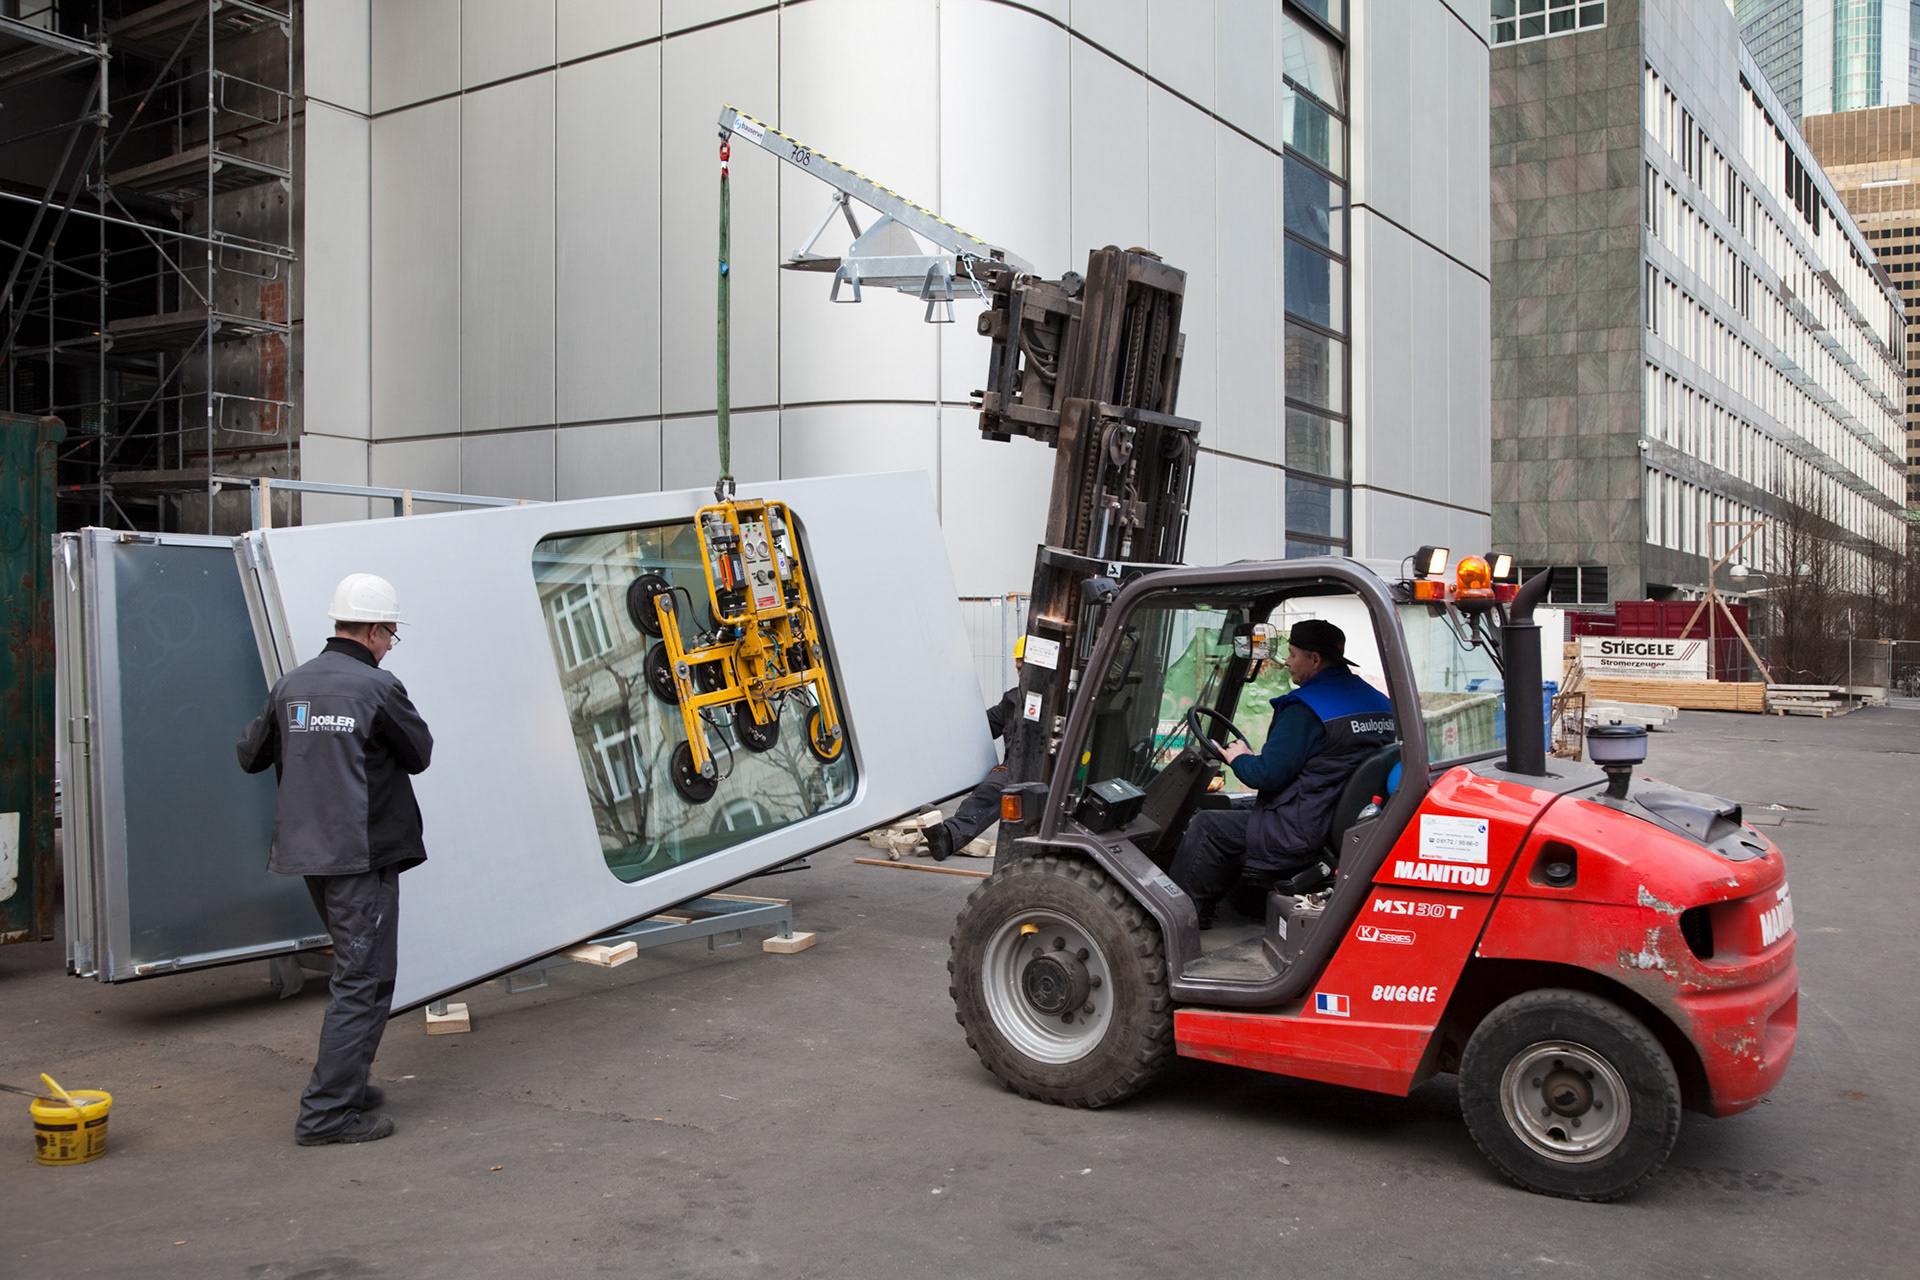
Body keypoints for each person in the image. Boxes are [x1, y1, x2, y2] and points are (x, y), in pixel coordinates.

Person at [237, 573, 434, 1146]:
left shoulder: (291, 685)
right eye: (390, 635)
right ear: (374, 630)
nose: (389, 645)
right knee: (362, 978)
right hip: (360, 856)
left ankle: (348, 1084)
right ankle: (326, 1114)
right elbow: (419, 753)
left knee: (368, 973)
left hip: (311, 854)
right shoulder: (377, 688)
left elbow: (250, 755)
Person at [1169, 618, 1394, 927]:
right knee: (1233, 806)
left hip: (1302, 824)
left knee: (1206, 824)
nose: (1287, 662)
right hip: (1341, 815)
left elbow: (1266, 775)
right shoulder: (1378, 702)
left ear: (1314, 659)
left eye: (1292, 654)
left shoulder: (1306, 709)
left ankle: (1181, 921)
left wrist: (1239, 758)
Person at [925, 637, 1025, 860]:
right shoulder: (1012, 700)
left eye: (1023, 668)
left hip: (1037, 769)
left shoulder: (1057, 701)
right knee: (993, 784)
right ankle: (949, 835)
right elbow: (983, 727)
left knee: (995, 787)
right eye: (1017, 668)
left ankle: (949, 836)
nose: (1019, 674)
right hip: (1018, 767)